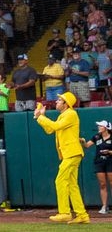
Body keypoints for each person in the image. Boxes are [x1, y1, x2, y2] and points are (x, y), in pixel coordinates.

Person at [34, 92, 90, 224]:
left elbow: (55, 127)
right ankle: (82, 215)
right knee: (72, 185)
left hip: (72, 153)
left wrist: (40, 117)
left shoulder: (70, 114)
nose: (57, 102)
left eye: (60, 100)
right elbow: (50, 130)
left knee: (60, 181)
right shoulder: (63, 116)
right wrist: (40, 117)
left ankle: (64, 212)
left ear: (66, 104)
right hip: (71, 153)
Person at [89, 119, 112, 215]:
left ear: (106, 128)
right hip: (99, 162)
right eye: (98, 126)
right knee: (102, 184)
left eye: (101, 126)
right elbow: (87, 145)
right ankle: (104, 206)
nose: (99, 127)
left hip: (110, 162)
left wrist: (109, 152)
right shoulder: (96, 137)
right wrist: (81, 141)